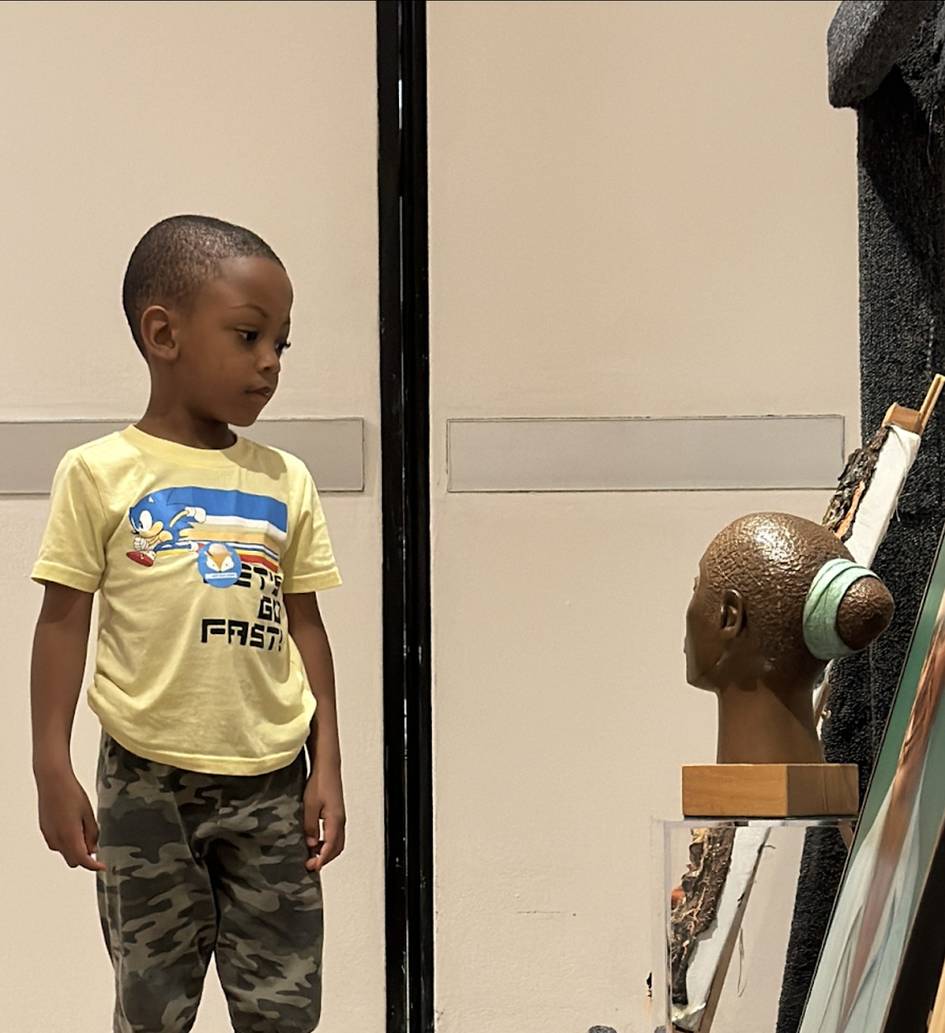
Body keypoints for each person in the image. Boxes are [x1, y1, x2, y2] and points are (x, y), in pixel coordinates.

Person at [29, 215, 345, 1033]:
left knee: (284, 1006)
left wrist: (328, 765)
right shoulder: (98, 473)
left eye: (281, 342)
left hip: (273, 779)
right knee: (152, 1004)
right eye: (248, 335)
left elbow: (306, 627)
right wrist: (50, 762)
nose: (270, 361)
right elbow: (62, 623)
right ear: (163, 334)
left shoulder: (285, 479)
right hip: (146, 782)